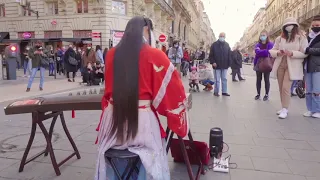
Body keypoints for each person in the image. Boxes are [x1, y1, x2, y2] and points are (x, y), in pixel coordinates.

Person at [94, 16, 188, 180]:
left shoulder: (110, 54)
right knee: (151, 156)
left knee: (115, 153)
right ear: (146, 30)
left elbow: (108, 89)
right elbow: (173, 88)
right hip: (142, 120)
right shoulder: (155, 55)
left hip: (113, 118)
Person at [269, 17, 308, 119]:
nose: (288, 27)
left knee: (286, 88)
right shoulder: (279, 38)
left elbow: (305, 53)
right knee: (281, 88)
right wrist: (278, 52)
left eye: (290, 25)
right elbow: (272, 50)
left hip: (292, 65)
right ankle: (283, 107)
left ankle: (285, 109)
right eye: (286, 25)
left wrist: (292, 53)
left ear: (295, 26)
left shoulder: (301, 37)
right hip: (280, 64)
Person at [304, 15, 320, 118]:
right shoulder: (307, 37)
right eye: (313, 25)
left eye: (317, 25)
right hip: (307, 66)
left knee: (317, 90)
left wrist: (308, 50)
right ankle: (310, 109)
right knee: (308, 90)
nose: (315, 27)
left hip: (318, 66)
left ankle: (317, 110)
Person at [209, 32, 231, 97]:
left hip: (224, 65)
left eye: (223, 36)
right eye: (221, 36)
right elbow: (211, 55)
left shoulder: (227, 45)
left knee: (224, 79)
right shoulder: (214, 45)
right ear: (219, 37)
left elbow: (229, 55)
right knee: (217, 80)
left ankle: (224, 92)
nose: (222, 37)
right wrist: (213, 62)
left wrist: (229, 64)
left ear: (225, 37)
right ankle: (216, 92)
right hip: (216, 66)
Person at [254, 30, 274, 101]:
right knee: (258, 80)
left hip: (267, 64)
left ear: (267, 36)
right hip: (258, 64)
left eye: (264, 35)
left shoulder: (271, 44)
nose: (262, 36)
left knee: (266, 80)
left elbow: (270, 53)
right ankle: (258, 94)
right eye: (261, 35)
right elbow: (257, 52)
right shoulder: (257, 44)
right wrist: (265, 51)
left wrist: (261, 52)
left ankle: (266, 94)